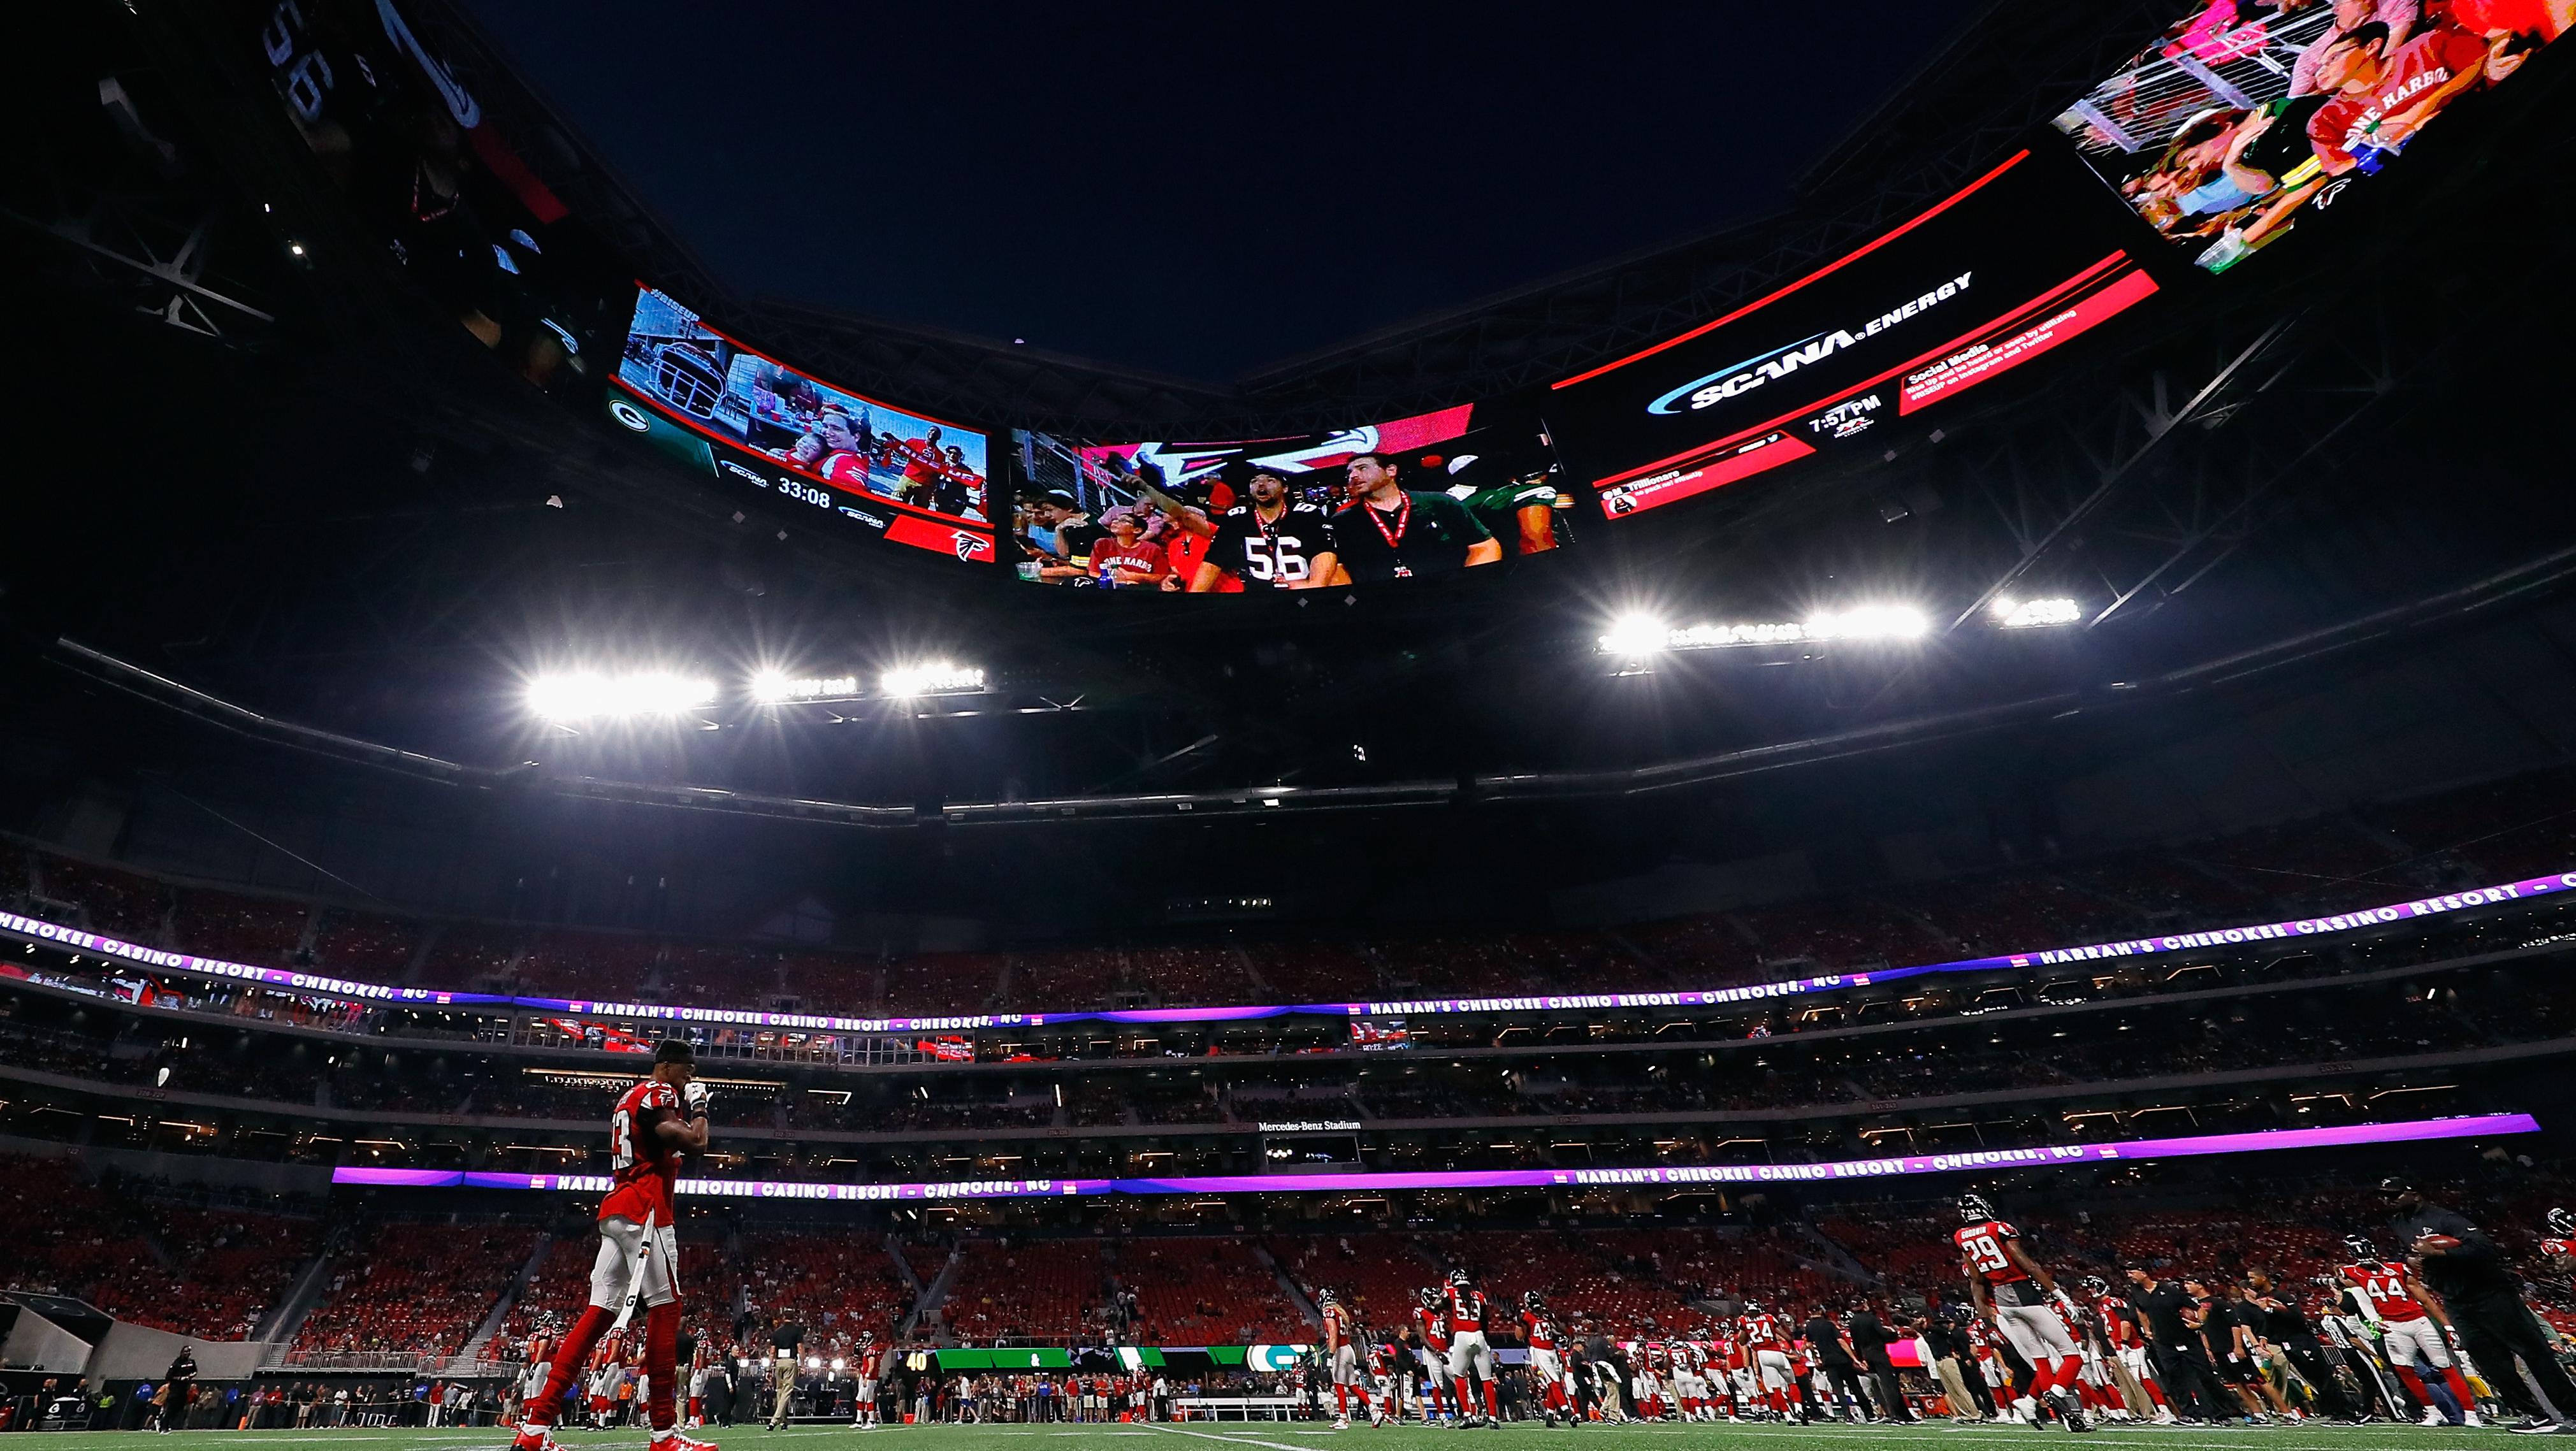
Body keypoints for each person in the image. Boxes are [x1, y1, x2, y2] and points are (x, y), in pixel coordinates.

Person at [509, 1038, 714, 1451]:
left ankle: (535, 1428)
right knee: (666, 1306)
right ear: (668, 1066)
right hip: (645, 1208)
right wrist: (700, 1107)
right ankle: (663, 1434)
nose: (691, 1076)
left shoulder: (629, 1098)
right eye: (687, 1069)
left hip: (617, 1208)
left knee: (598, 1312)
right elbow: (697, 1143)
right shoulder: (658, 1093)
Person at [2387, 1177, 2576, 1433]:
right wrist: (2412, 1258)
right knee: (2489, 1362)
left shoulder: (2447, 1219)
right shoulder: (2397, 1223)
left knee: (2534, 1352)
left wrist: (2442, 1254)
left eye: (2394, 1194)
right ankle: (2535, 1415)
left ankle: (2572, 1413)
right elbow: (2410, 1252)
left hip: (2490, 1293)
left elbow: (2485, 1249)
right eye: (2384, 1195)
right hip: (2455, 1300)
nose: (2387, 1200)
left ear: (2416, 1195)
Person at [1954, 1193, 2091, 1431]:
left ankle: (2040, 1408)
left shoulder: (1961, 1237)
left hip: (2002, 1304)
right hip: (2024, 1295)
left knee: (2042, 1363)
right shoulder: (1999, 1228)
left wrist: (1986, 1321)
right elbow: (2027, 1264)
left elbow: (1975, 1282)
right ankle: (2057, 1395)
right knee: (2072, 1356)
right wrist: (2061, 1295)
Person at [2338, 1232, 2477, 1423]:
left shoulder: (2397, 1268)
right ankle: (2433, 1413)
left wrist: (2448, 1326)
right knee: (2405, 1371)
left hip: (2418, 1320)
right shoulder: (2353, 1272)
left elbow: (2425, 1299)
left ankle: (2471, 1414)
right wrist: (2375, 1320)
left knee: (2444, 1366)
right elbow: (2363, 1301)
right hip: (2392, 1325)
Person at [1328, 451, 1501, 583]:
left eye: (1362, 468)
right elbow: (1342, 568)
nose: (1353, 476)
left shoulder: (1440, 503)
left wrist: (1470, 585)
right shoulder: (1343, 521)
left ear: (1391, 470)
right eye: (1349, 473)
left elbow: (1484, 546)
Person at [1182, 466, 1340, 591]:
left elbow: (1324, 552)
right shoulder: (1237, 519)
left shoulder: (1306, 514)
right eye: (1254, 481)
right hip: (1258, 597)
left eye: (1270, 480)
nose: (1261, 484)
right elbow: (1213, 560)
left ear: (1285, 488)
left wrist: (1315, 588)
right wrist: (1194, 599)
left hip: (1301, 592)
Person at [2125, 1265, 2231, 1421]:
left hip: (2187, 1340)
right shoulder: (2136, 1292)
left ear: (2144, 1272)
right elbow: (2141, 1310)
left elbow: (2199, 1308)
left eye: (2132, 1272)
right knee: (2175, 1379)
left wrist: (2200, 1324)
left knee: (2206, 1376)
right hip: (2163, 1343)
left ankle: (2219, 1414)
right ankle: (2190, 1415)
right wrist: (2147, 1329)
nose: (2129, 1275)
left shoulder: (2169, 1291)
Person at [1444, 1268, 1500, 1427]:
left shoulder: (1452, 1292)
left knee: (1459, 1376)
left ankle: (1467, 1415)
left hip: (1462, 1336)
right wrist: (1486, 1340)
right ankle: (1493, 1418)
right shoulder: (1480, 1296)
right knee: (1487, 1379)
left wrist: (1446, 1290)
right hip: (1479, 1335)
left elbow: (1438, 1305)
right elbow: (1485, 1320)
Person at [1802, 1308, 1872, 1421]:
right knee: (1856, 1388)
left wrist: (1817, 1358)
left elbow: (1809, 1344)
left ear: (1810, 1312)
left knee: (1839, 1390)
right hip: (1842, 1359)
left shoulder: (1809, 1327)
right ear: (1821, 1312)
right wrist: (1854, 1358)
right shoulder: (1829, 1325)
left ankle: (1847, 1416)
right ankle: (1869, 1414)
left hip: (1828, 1362)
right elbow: (1841, 1341)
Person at [1318, 1289, 1372, 1429]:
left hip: (1340, 1351)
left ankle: (1343, 1419)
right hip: (1349, 1349)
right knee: (1353, 1386)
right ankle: (1374, 1410)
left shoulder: (1328, 1311)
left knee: (1339, 1385)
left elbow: (1333, 1334)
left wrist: (1330, 1355)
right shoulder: (1340, 1312)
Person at [1519, 1291, 1574, 1426]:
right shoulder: (1526, 1317)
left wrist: (1557, 1324)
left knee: (1555, 1384)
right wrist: (1520, 1324)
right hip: (1539, 1351)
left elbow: (1560, 1329)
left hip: (1552, 1350)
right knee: (1554, 1382)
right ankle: (1568, 1412)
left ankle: (1550, 1416)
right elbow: (1519, 1337)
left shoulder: (1546, 1314)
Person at [1087, 507, 1169, 589]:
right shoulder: (1102, 544)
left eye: (1123, 521)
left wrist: (1133, 576)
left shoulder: (1152, 548)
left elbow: (1161, 576)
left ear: (1137, 530)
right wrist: (1120, 581)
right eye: (1116, 519)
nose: (1115, 522)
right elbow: (1093, 573)